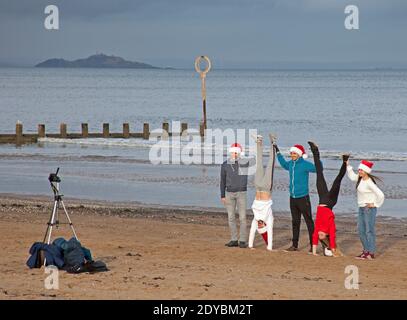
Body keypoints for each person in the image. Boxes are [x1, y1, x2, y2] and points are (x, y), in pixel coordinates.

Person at [274, 142, 318, 252]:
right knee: (295, 221)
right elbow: (284, 164)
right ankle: (294, 245)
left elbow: (318, 168)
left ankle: (313, 245)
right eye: (291, 153)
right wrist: (278, 152)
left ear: (299, 154)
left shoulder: (305, 164)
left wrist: (316, 154)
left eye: (294, 153)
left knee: (309, 221)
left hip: (303, 198)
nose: (292, 155)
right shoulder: (291, 164)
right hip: (292, 198)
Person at [308, 141, 347, 257]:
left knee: (319, 173)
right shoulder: (329, 230)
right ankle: (345, 161)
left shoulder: (317, 231)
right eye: (322, 237)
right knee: (337, 181)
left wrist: (314, 253)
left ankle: (315, 150)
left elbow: (314, 241)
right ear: (325, 237)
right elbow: (333, 238)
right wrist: (333, 248)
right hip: (330, 201)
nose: (319, 236)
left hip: (322, 199)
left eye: (319, 236)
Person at [346, 159, 385, 260]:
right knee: (361, 230)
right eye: (359, 170)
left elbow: (380, 194)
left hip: (369, 209)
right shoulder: (360, 178)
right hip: (361, 208)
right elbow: (352, 177)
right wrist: (348, 166)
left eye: (361, 170)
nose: (359, 172)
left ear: (366, 171)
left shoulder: (369, 182)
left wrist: (375, 204)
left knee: (369, 231)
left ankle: (370, 253)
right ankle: (366, 251)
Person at [248, 134, 276, 251]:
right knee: (270, 164)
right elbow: (270, 233)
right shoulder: (268, 219)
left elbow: (251, 232)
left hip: (258, 187)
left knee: (258, 164)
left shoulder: (256, 219)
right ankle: (273, 143)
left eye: (259, 226)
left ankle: (258, 141)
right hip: (266, 188)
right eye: (261, 226)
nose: (259, 225)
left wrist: (250, 246)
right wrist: (269, 247)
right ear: (264, 225)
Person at [220, 142, 249, 248]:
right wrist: (222, 195)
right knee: (231, 217)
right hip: (229, 193)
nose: (234, 155)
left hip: (241, 193)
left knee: (242, 217)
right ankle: (233, 239)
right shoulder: (224, 165)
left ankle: (242, 240)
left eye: (237, 153)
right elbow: (222, 181)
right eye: (233, 152)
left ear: (240, 153)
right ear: (230, 153)